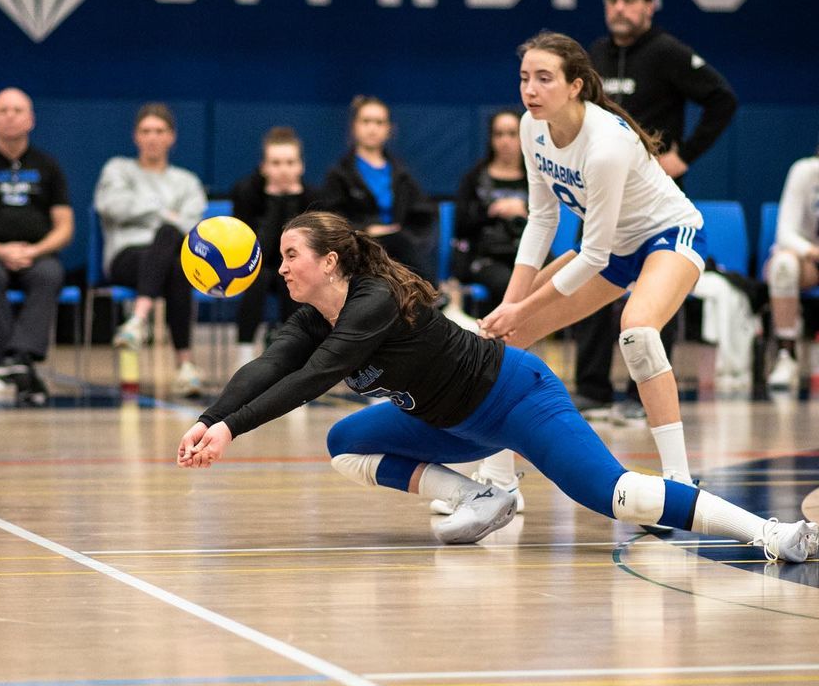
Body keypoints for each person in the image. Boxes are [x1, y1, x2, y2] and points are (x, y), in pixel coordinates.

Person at [174, 211, 816, 563]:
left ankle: (773, 534)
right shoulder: (315, 316)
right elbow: (269, 366)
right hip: (449, 425)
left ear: (330, 262)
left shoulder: (371, 303)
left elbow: (312, 379)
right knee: (345, 444)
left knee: (615, 496)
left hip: (515, 399)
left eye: (289, 255)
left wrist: (231, 431)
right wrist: (210, 418)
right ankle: (482, 495)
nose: (279, 267)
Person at [478, 31, 708, 498]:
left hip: (669, 236)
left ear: (575, 85)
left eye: (544, 79)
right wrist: (511, 306)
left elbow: (593, 256)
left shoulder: (605, 145)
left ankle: (679, 481)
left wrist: (522, 307)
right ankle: (499, 484)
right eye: (525, 78)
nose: (531, 90)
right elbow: (542, 219)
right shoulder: (530, 128)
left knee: (638, 332)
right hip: (615, 248)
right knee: (502, 339)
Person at [573, 0, 738, 421]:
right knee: (587, 281)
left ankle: (640, 396)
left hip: (656, 202)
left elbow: (722, 99)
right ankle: (591, 388)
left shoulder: (668, 53)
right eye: (613, 1)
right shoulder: (596, 55)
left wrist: (684, 156)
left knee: (651, 297)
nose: (620, 9)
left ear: (649, 6)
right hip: (602, 195)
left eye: (629, 0)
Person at [0, 87, 74, 405]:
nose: (10, 116)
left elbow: (65, 226)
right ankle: (18, 363)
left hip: (35, 255)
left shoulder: (48, 167)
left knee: (50, 274)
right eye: (3, 111)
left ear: (31, 119)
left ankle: (10, 361)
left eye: (18, 110)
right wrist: (0, 250)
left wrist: (34, 251)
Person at [93, 103, 206, 397]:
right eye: (146, 131)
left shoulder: (187, 181)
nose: (152, 137)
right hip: (125, 257)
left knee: (174, 253)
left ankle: (138, 321)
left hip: (172, 262)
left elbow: (191, 226)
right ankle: (185, 365)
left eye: (159, 131)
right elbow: (111, 207)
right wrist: (164, 212)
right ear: (135, 137)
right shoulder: (118, 169)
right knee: (170, 236)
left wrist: (148, 213)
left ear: (171, 137)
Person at [320, 96, 438, 285]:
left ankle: (431, 298)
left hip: (400, 249)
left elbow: (423, 215)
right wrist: (366, 229)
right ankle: (437, 297)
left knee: (402, 243)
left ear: (389, 129)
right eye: (366, 121)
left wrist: (408, 235)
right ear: (354, 126)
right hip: (359, 246)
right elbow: (332, 218)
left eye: (379, 122)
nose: (372, 128)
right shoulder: (340, 173)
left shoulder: (402, 174)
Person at [230, 126, 318, 367]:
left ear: (301, 166)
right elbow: (253, 251)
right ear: (264, 167)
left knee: (293, 273)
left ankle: (295, 352)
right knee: (256, 276)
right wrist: (275, 202)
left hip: (297, 267)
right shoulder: (246, 192)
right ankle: (244, 355)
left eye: (290, 162)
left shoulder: (311, 196)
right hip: (257, 265)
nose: (283, 170)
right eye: (276, 163)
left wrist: (289, 202)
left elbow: (306, 251)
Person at [452, 108, 528, 315]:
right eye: (499, 134)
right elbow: (460, 226)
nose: (506, 141)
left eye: (512, 134)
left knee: (551, 277)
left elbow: (551, 220)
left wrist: (525, 211)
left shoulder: (535, 178)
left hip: (526, 252)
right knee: (507, 284)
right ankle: (499, 344)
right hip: (486, 257)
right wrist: (492, 212)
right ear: (491, 138)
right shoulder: (474, 178)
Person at [764, 140, 819, 391]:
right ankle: (787, 355)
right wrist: (811, 251)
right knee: (783, 266)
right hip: (809, 260)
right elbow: (785, 233)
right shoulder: (805, 171)